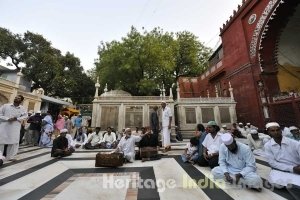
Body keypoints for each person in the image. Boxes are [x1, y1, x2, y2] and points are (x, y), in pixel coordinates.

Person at [264, 122, 300, 187]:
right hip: (281, 169)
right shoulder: (268, 146)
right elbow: (272, 163)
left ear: (281, 131)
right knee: (277, 185)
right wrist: (291, 168)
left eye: (277, 130)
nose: (276, 132)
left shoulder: (294, 143)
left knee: (295, 185)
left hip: (298, 168)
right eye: (272, 131)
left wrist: (296, 168)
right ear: (269, 132)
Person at [0, 95, 27, 161]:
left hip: (15, 127)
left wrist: (17, 118)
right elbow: (0, 114)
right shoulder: (6, 106)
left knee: (13, 142)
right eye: (16, 97)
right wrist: (7, 119)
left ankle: (11, 157)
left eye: (18, 98)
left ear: (21, 101)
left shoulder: (23, 108)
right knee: (1, 141)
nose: (16, 99)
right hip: (4, 126)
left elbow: (25, 116)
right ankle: (0, 155)